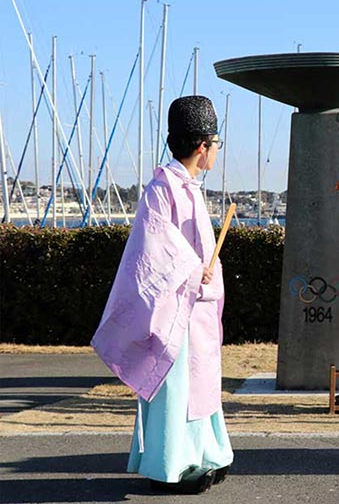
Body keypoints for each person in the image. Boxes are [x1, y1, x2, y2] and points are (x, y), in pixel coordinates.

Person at [91, 96, 233, 493]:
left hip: (194, 304)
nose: (217, 151)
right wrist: (193, 270)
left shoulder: (188, 187)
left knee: (201, 382)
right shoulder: (163, 187)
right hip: (175, 306)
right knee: (176, 386)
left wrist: (201, 274)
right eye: (217, 143)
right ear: (203, 146)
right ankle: (170, 466)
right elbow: (153, 247)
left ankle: (208, 454)